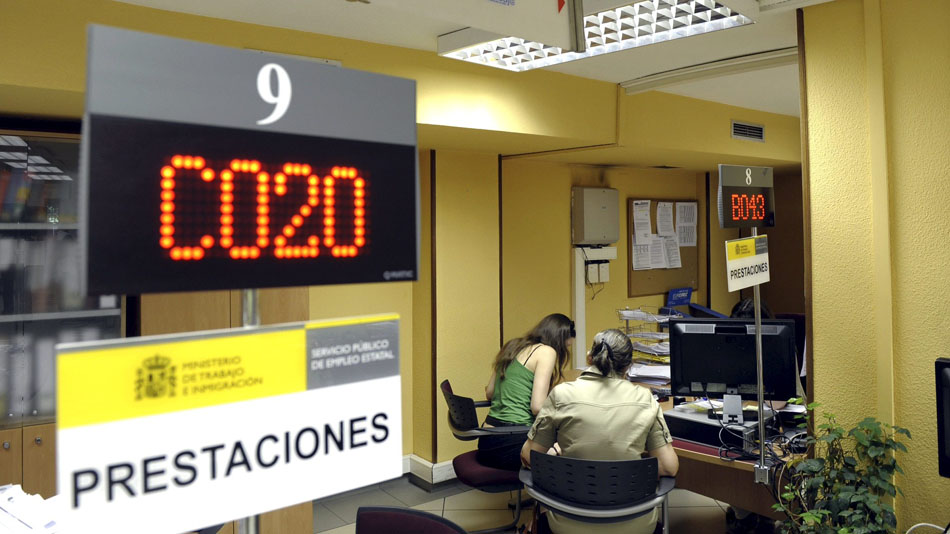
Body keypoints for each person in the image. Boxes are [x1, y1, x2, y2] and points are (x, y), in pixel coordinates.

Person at [520, 329, 679, 534]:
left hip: (567, 524)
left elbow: (528, 456)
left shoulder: (562, 394)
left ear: (589, 358)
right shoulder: (645, 399)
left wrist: (560, 455)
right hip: (636, 526)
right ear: (628, 366)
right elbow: (668, 468)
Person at [476, 313, 575, 471]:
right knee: (574, 439)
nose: (564, 350)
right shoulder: (546, 352)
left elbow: (489, 393)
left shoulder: (512, 346)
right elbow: (537, 407)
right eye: (566, 346)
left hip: (487, 442)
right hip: (514, 444)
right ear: (559, 339)